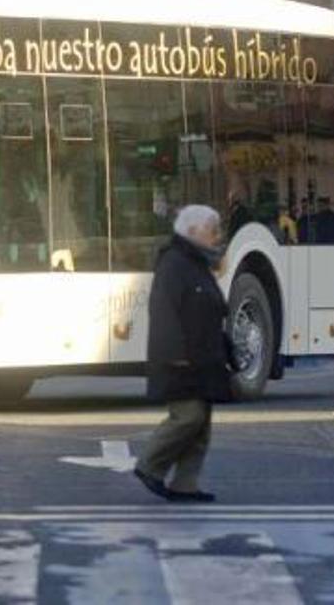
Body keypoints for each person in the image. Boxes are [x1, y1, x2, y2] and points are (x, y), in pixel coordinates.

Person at [133, 205, 233, 503]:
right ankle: (150, 465)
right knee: (188, 416)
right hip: (181, 360)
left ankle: (185, 484)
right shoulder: (175, 263)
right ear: (192, 232)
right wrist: (174, 354)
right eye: (212, 230)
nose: (217, 236)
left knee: (201, 422)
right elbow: (163, 312)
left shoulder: (196, 262)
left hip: (202, 358)